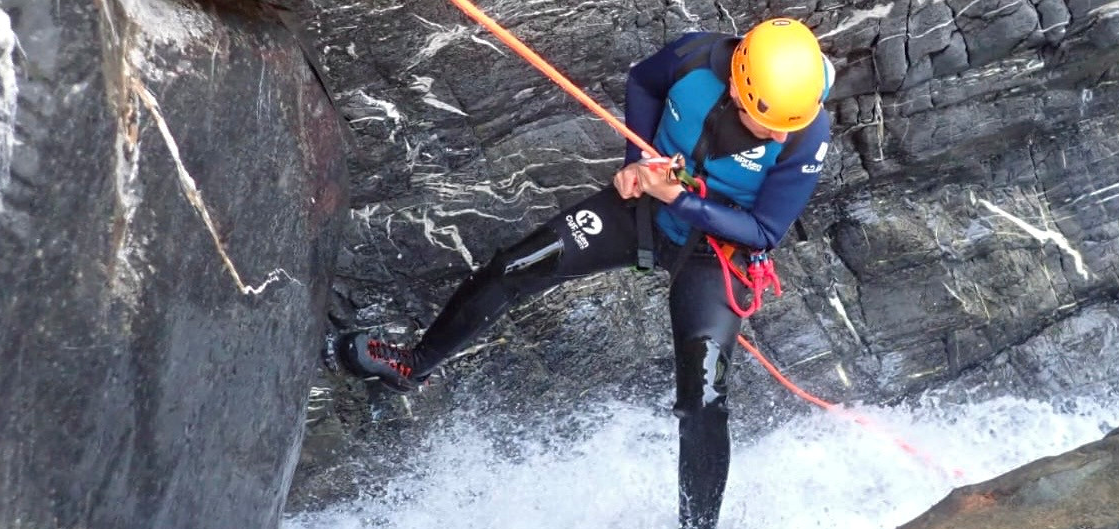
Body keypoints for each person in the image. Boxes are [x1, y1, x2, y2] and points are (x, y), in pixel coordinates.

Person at [327, 18, 834, 529]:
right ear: (735, 83)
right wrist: (639, 163)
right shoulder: (693, 59)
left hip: (715, 253)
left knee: (704, 398)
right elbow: (643, 81)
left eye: (785, 126)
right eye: (765, 121)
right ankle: (414, 363)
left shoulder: (804, 131)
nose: (776, 133)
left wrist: (678, 198)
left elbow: (765, 229)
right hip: (641, 211)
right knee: (516, 266)